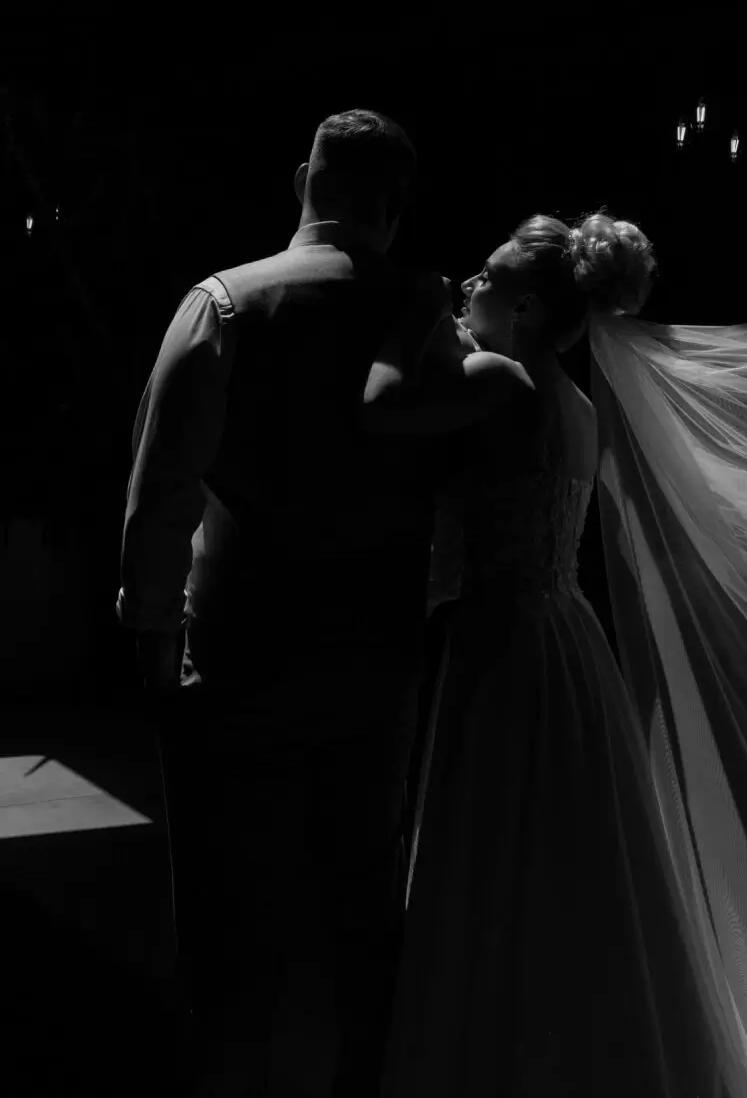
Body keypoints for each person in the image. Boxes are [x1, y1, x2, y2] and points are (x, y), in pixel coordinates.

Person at [366, 213, 747, 1096]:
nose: (467, 287)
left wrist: (406, 324)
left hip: (505, 647)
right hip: (567, 647)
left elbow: (380, 406)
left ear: (533, 306)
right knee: (575, 868)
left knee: (498, 858)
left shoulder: (499, 379)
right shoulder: (575, 405)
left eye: (487, 278)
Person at [116, 108, 455, 1097]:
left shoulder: (225, 304)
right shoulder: (425, 316)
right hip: (380, 647)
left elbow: (164, 489)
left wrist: (151, 634)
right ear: (397, 203)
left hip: (241, 648)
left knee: (230, 914)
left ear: (302, 177)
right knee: (362, 905)